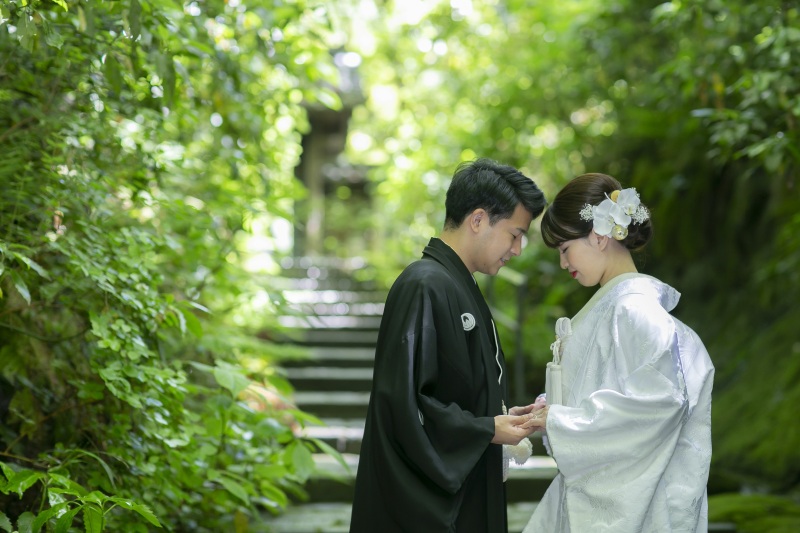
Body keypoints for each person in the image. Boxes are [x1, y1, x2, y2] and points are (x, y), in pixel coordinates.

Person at [349, 158, 547, 533]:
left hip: (466, 483)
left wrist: (498, 417)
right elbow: (405, 405)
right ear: (478, 220)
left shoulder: (456, 284)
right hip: (426, 508)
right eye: (515, 234)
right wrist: (485, 429)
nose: (518, 249)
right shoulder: (424, 285)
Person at [520, 173, 715, 532]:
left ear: (598, 235)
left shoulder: (633, 309)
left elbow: (660, 401)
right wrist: (554, 407)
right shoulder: (620, 306)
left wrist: (562, 422)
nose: (563, 264)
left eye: (565, 249)